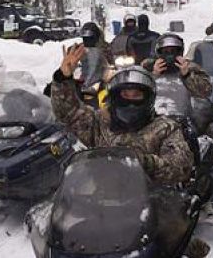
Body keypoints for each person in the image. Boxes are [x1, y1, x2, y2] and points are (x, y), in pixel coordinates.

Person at [52, 44, 194, 187]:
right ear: (115, 97)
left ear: (148, 99)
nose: (130, 101)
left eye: (136, 95)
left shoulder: (165, 128)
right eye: (125, 95)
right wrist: (63, 78)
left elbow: (180, 167)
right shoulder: (100, 122)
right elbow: (68, 112)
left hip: (152, 200)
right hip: (101, 199)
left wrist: (144, 162)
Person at [144, 33, 212, 98]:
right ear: (159, 53)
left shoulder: (192, 68)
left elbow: (206, 92)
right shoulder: (148, 68)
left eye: (173, 51)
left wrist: (187, 76)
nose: (170, 55)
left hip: (183, 108)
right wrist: (154, 76)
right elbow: (137, 93)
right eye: (166, 52)